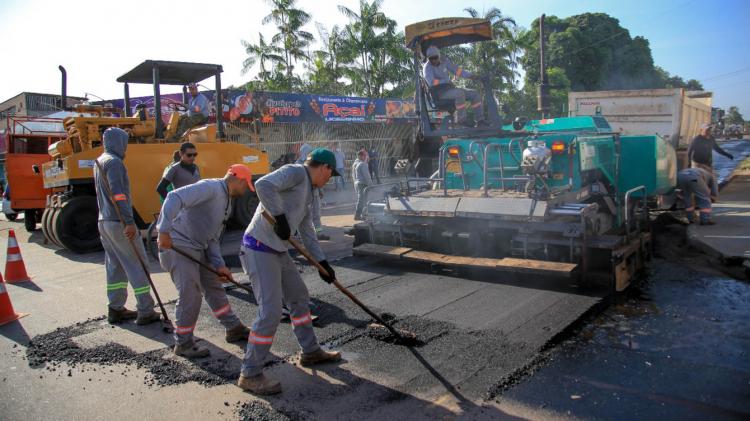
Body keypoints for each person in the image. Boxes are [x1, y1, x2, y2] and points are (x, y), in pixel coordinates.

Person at [237, 148, 342, 395]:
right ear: (323, 167)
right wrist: (280, 218)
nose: (330, 178)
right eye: (331, 173)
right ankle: (250, 373)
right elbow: (263, 184)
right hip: (259, 247)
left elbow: (307, 232)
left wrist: (322, 264)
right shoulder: (296, 172)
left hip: (278, 250)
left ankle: (310, 351)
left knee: (299, 297)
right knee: (270, 312)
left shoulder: (309, 194)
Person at [156, 165, 254, 358]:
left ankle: (233, 327)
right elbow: (174, 197)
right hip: (178, 246)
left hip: (198, 248)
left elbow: (212, 238)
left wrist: (219, 265)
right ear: (239, 179)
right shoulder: (210, 188)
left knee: (214, 285)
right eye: (246, 186)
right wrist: (163, 230)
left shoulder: (227, 202)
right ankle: (183, 343)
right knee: (190, 294)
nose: (245, 191)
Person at [94, 127, 161, 325]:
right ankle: (145, 310)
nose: (126, 147)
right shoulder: (114, 163)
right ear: (119, 142)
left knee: (115, 266)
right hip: (118, 222)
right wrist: (129, 222)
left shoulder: (99, 161)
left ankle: (115, 308)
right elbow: (119, 195)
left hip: (104, 221)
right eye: (125, 142)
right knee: (138, 263)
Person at [422, 45, 484, 127]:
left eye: (435, 57)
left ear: (439, 56)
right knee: (459, 93)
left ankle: (480, 121)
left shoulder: (444, 61)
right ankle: (461, 121)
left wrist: (472, 76)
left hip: (449, 89)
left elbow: (457, 71)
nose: (433, 60)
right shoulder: (427, 68)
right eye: (431, 58)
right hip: (439, 94)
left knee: (474, 94)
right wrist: (446, 81)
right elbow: (431, 82)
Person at [688, 123, 733, 195]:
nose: (708, 131)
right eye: (706, 130)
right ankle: (694, 194)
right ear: (701, 130)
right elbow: (689, 151)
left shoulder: (711, 138)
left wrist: (727, 155)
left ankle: (713, 195)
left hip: (708, 164)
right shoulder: (697, 139)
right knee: (696, 180)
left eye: (709, 130)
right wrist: (689, 163)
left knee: (712, 179)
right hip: (697, 163)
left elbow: (717, 149)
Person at [352, 149, 372, 221]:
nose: (367, 157)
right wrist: (370, 184)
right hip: (362, 184)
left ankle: (360, 214)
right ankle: (359, 215)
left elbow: (353, 175)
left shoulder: (355, 163)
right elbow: (367, 176)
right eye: (365, 155)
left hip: (357, 183)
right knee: (362, 200)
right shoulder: (362, 164)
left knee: (361, 199)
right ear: (361, 156)